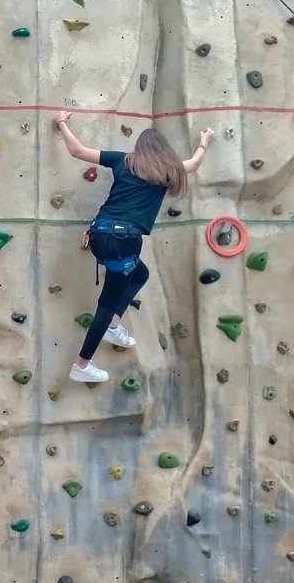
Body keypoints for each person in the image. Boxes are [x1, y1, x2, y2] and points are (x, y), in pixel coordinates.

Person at [56, 111, 214, 383]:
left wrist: (61, 122)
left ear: (139, 147)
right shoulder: (169, 170)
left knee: (140, 274)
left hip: (99, 234)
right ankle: (82, 363)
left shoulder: (123, 160)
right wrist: (205, 140)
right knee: (106, 304)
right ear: (163, 151)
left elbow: (77, 150)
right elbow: (195, 163)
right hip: (124, 241)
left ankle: (115, 323)